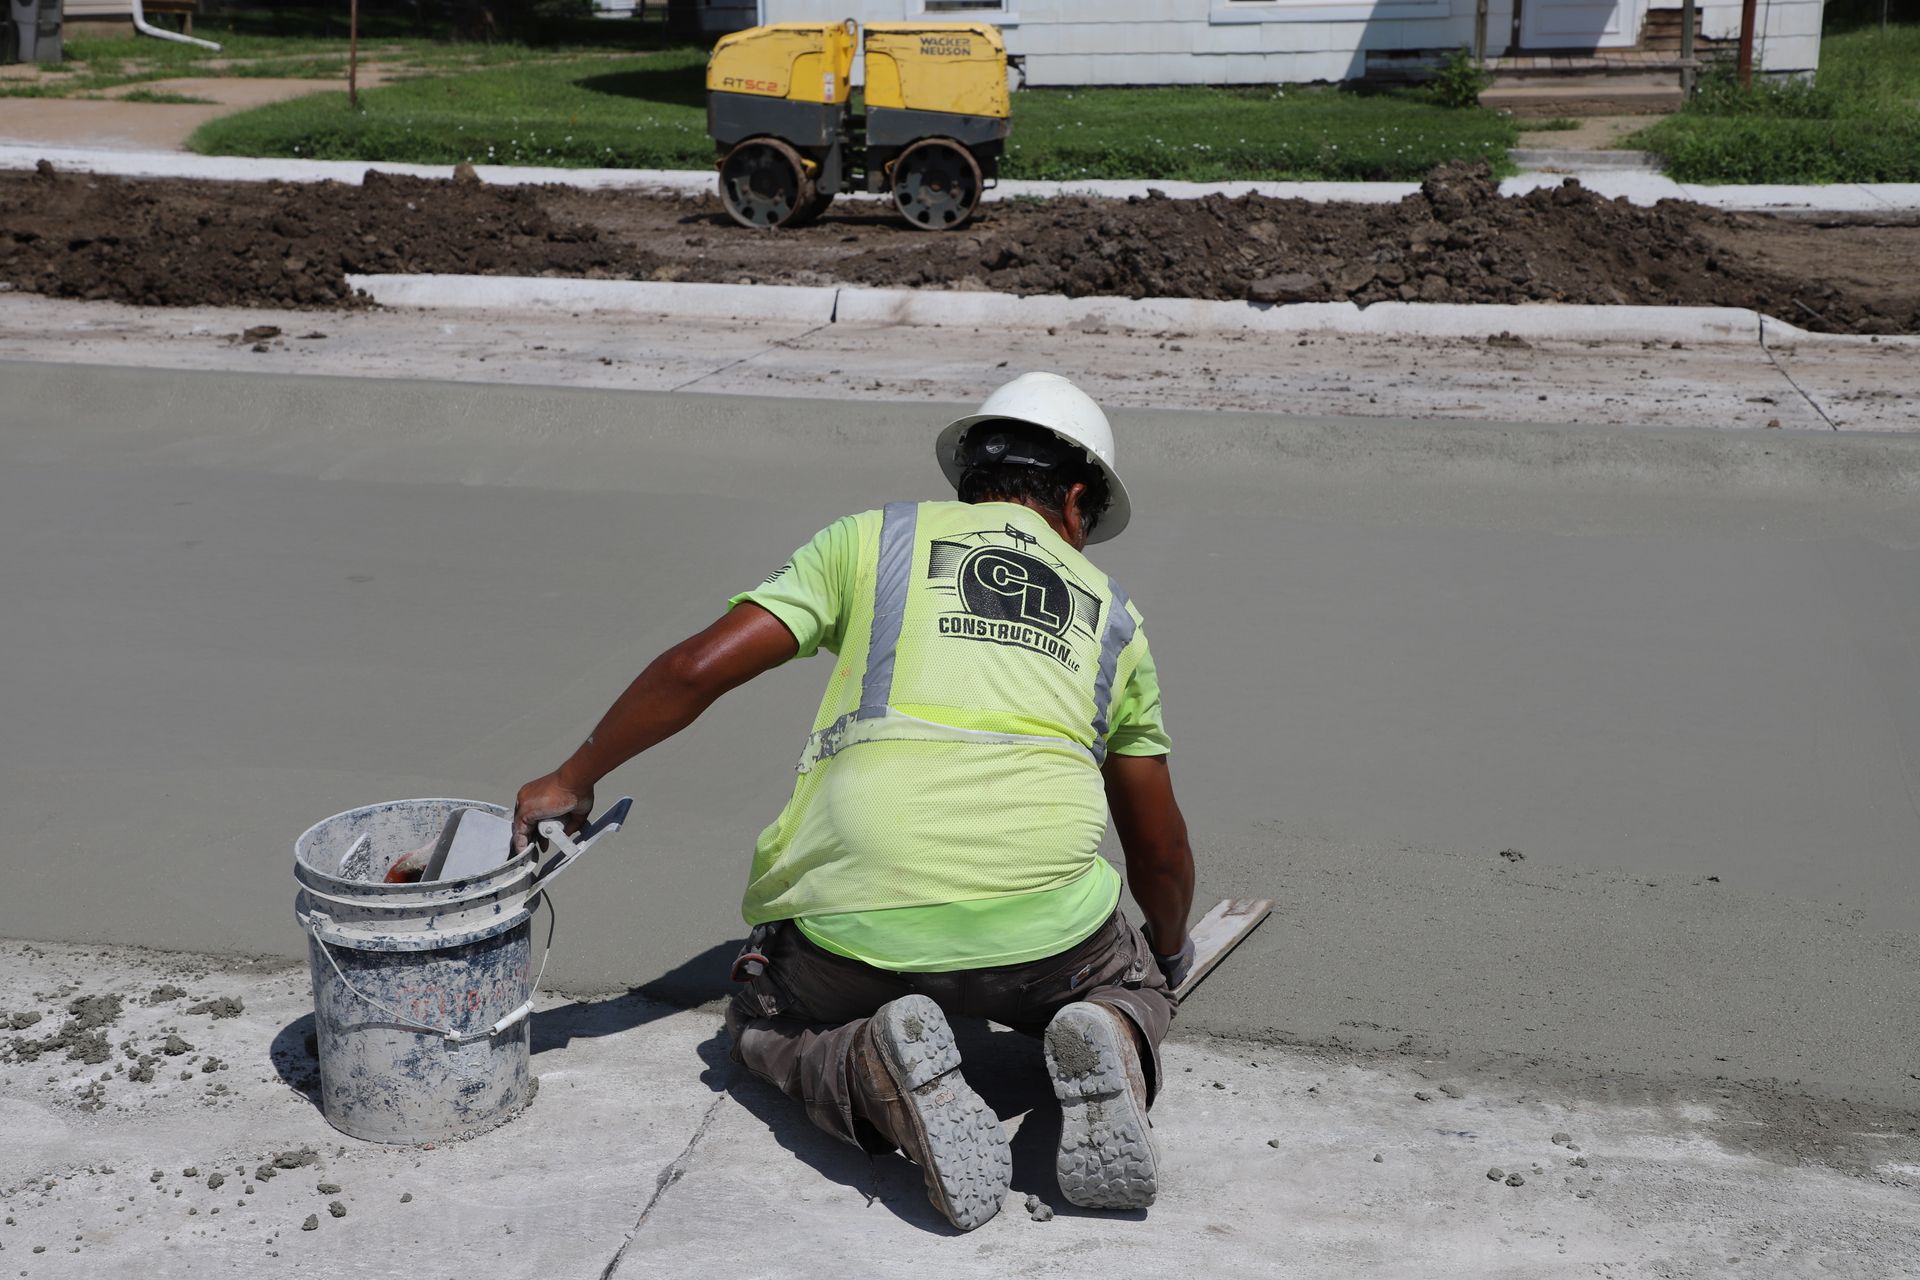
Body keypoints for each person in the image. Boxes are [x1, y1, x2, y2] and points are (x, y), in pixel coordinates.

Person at [512, 372, 1197, 1231]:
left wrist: (574, 777)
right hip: (1042, 942)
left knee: (767, 1020)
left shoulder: (875, 539)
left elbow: (694, 670)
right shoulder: (1118, 620)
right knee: (1129, 986)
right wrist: (1164, 958)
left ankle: (872, 1058)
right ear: (1072, 500)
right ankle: (1111, 1031)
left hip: (857, 932)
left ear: (972, 480)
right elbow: (1160, 851)